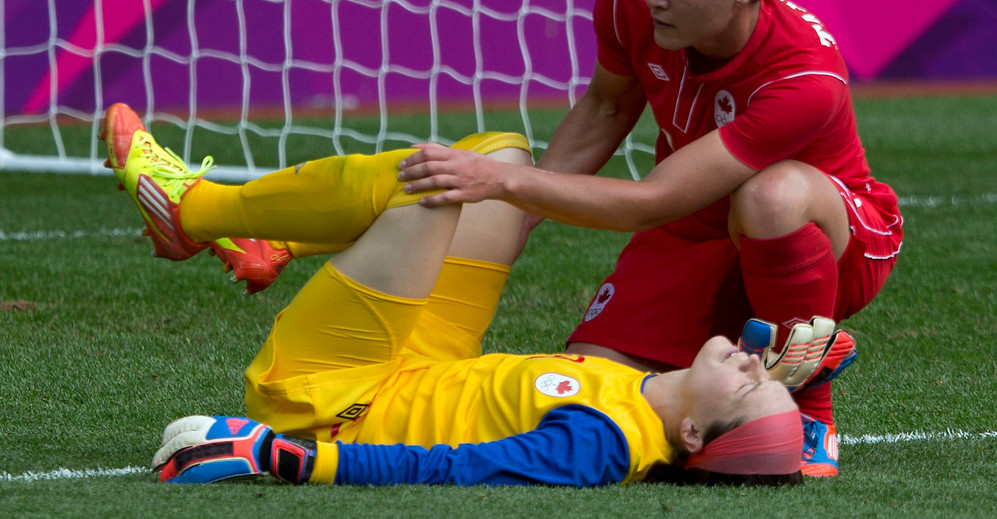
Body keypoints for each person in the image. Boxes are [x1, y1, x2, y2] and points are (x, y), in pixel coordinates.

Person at [395, 0, 904, 477]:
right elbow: (606, 111)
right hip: (697, 225)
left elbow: (651, 201)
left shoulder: (805, 79)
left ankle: (807, 395)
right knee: (585, 395)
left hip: (834, 243)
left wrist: (506, 183)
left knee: (771, 194)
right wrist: (513, 223)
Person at [102, 102, 808, 488]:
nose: (752, 365)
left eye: (748, 389)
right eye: (762, 373)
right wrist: (812, 365)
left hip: (338, 400)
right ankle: (273, 240)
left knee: (434, 188)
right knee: (498, 160)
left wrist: (288, 456)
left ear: (692, 436)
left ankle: (196, 210)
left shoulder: (602, 446)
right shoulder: (655, 394)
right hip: (426, 360)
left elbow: (452, 467)